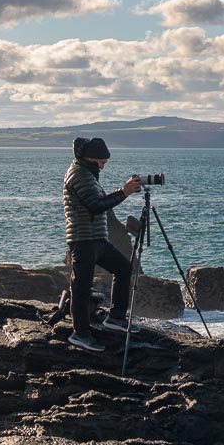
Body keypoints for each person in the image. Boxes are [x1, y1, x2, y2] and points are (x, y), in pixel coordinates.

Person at [63, 137, 143, 352]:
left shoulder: (88, 174)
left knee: (124, 268)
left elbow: (97, 203)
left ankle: (115, 317)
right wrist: (124, 192)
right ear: (89, 158)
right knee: (81, 286)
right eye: (101, 161)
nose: (104, 165)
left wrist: (122, 191)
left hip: (96, 238)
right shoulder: (79, 174)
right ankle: (80, 333)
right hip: (83, 240)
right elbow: (96, 206)